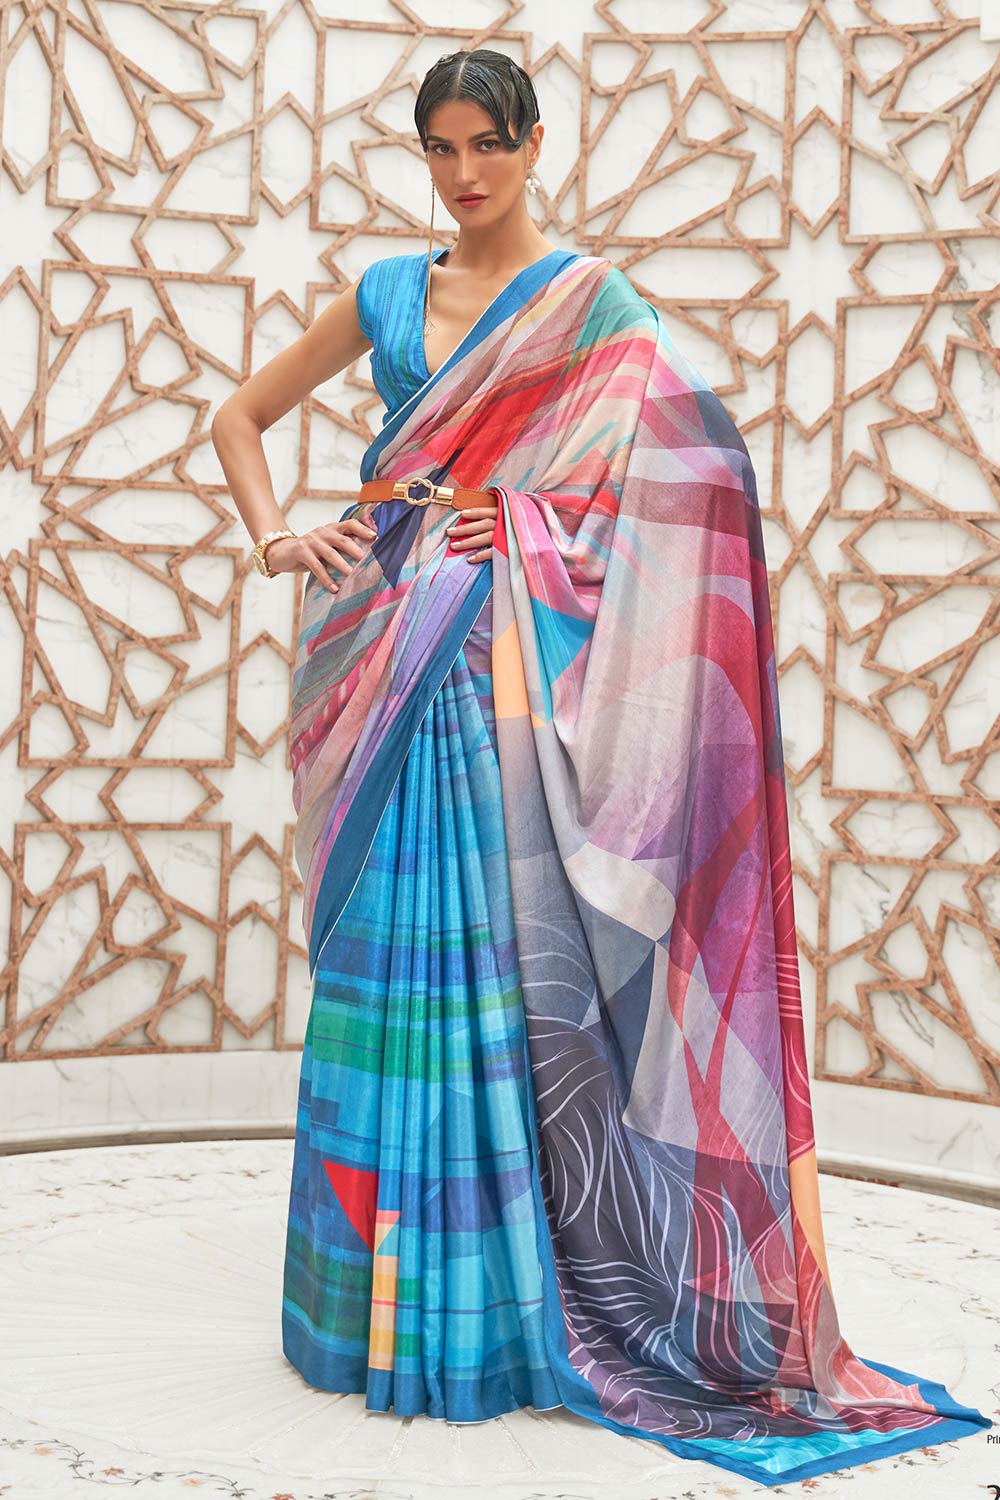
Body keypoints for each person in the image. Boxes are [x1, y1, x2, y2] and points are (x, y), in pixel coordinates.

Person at [210, 46, 990, 1490]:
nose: (464, 174)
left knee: (498, 974)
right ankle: (357, 1311)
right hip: (384, 651)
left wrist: (531, 525)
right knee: (379, 963)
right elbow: (237, 418)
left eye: (487, 144)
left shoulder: (593, 306)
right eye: (440, 147)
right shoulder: (387, 294)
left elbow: (693, 482)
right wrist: (279, 535)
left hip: (504, 670)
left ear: (534, 144)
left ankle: (498, 1318)